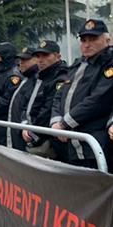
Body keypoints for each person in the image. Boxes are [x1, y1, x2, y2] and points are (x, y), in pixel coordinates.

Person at [51, 19, 113, 169]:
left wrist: (64, 123)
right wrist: (55, 121)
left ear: (107, 39)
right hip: (71, 141)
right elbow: (59, 94)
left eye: (93, 39)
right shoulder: (77, 64)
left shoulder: (109, 63)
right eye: (83, 40)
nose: (87, 44)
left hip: (95, 142)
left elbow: (98, 100)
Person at [24, 40, 69, 158]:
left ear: (58, 56)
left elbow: (47, 111)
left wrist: (32, 132)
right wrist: (24, 124)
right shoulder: (39, 77)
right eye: (38, 56)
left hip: (47, 140)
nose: (40, 59)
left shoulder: (60, 78)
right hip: (31, 132)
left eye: (45, 55)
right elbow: (26, 103)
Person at [4, 48, 39, 151]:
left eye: (25, 60)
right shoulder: (26, 79)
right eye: (20, 60)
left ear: (36, 60)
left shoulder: (36, 80)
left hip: (25, 135)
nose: (21, 63)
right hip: (17, 133)